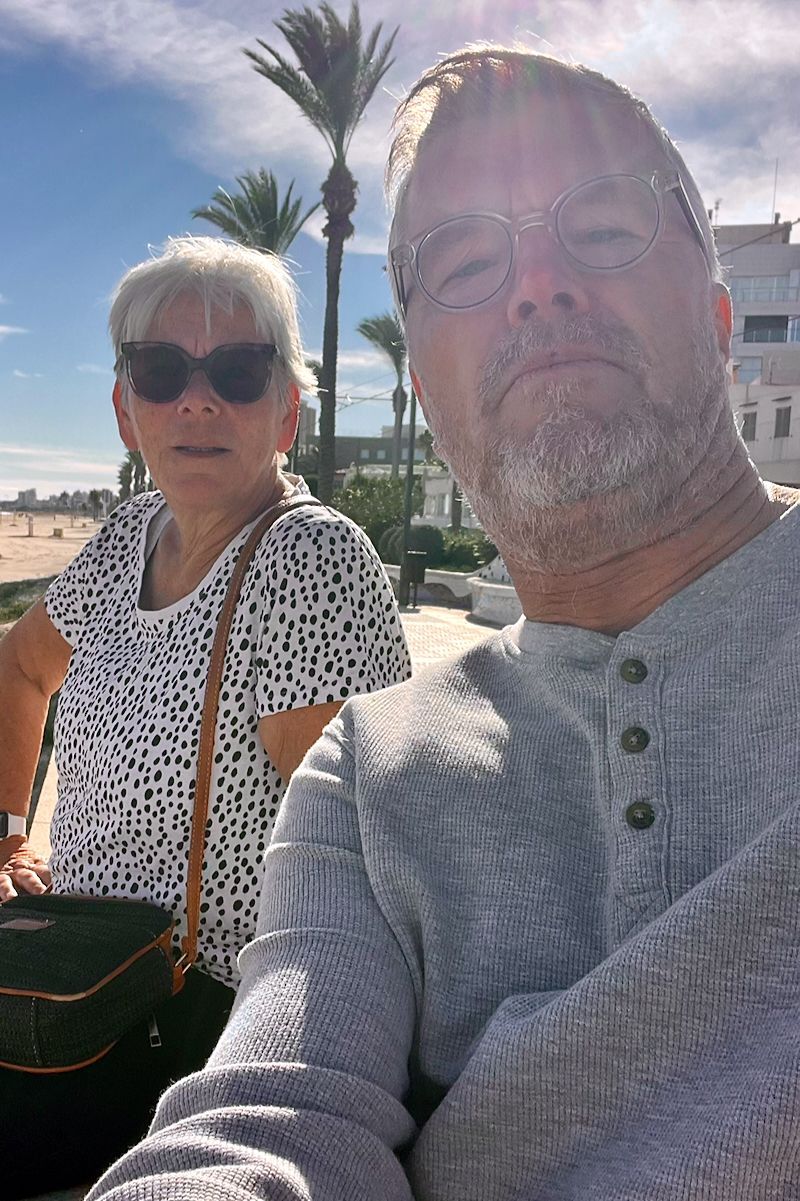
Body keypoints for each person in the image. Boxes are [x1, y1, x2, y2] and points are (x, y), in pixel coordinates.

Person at [87, 49, 800, 1201]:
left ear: (718, 320)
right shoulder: (370, 771)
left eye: (603, 229)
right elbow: (273, 1116)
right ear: (423, 386)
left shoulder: (309, 560)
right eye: (465, 262)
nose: (537, 285)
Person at [0, 235, 410, 1196]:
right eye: (161, 370)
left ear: (287, 411)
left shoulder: (307, 561)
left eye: (236, 371)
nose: (196, 400)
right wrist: (11, 835)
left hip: (195, 1032)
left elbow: (369, 870)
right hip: (73, 979)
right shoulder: (128, 537)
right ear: (125, 406)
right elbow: (19, 667)